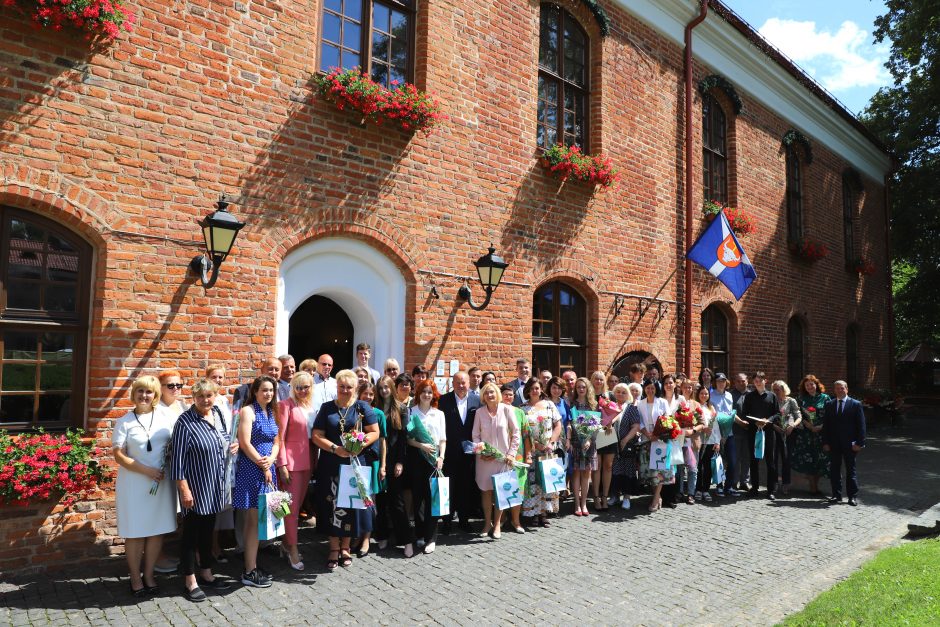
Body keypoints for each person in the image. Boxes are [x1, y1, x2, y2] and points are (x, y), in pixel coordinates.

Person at [113, 376, 178, 597]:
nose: (144, 395)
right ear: (134, 393)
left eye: (149, 392)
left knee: (156, 531)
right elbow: (119, 456)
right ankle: (134, 577)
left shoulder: (166, 417)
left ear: (155, 395)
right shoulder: (125, 421)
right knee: (135, 533)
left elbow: (176, 443)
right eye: (140, 391)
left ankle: (149, 574)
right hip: (134, 483)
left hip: (161, 483)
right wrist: (146, 470)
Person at [171, 378, 235, 602]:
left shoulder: (216, 414)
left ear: (215, 395)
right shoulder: (185, 422)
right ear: (193, 397)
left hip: (215, 484)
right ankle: (190, 580)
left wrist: (231, 444)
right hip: (195, 487)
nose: (205, 400)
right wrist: (184, 489)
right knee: (191, 534)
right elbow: (177, 461)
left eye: (209, 396)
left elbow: (223, 438)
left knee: (208, 531)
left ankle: (206, 573)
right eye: (200, 396)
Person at [311, 370, 380, 567]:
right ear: (337, 387)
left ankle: (346, 547)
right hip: (331, 463)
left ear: (355, 388)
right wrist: (336, 449)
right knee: (331, 504)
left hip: (355, 464)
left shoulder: (362, 407)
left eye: (349, 387)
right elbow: (316, 435)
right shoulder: (327, 408)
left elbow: (375, 432)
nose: (345, 390)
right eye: (342, 386)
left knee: (351, 505)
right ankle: (333, 547)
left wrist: (358, 444)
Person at [233, 375, 281, 587]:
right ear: (255, 392)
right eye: (264, 390)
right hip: (252, 470)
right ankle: (249, 570)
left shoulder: (271, 412)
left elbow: (277, 441)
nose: (268, 394)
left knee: (262, 520)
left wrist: (272, 459)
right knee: (253, 521)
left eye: (271, 390)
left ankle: (253, 564)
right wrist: (263, 465)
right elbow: (244, 442)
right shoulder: (248, 411)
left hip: (268, 468)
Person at [275, 371, 316, 571]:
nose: (301, 390)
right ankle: (292, 549)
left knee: (296, 506)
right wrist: (281, 464)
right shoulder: (285, 405)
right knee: (290, 510)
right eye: (298, 387)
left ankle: (285, 542)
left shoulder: (310, 406)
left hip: (308, 460)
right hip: (291, 463)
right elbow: (280, 437)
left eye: (305, 387)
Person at [472, 382, 521, 539]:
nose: (490, 395)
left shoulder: (506, 410)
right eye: (487, 393)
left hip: (502, 459)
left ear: (497, 394)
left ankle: (498, 523)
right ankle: (487, 523)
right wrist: (481, 452)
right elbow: (475, 436)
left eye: (492, 392)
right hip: (485, 460)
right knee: (486, 492)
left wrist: (512, 453)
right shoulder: (479, 413)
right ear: (483, 396)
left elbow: (516, 433)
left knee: (500, 492)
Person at [406, 379, 447, 556]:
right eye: (424, 391)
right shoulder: (411, 412)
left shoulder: (439, 414)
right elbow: (407, 438)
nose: (427, 395)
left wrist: (441, 457)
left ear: (434, 395)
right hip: (416, 459)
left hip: (433, 461)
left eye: (430, 392)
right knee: (418, 498)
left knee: (433, 500)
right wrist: (421, 446)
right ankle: (420, 534)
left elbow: (443, 439)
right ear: (418, 394)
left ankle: (431, 538)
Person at [440, 371, 481, 533]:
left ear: (469, 383)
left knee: (466, 487)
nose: (461, 385)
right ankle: (447, 521)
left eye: (463, 382)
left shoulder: (477, 401)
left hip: (469, 454)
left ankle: (464, 520)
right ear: (453, 384)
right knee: (448, 488)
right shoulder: (444, 401)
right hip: (449, 453)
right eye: (457, 383)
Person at [372, 376, 410, 549]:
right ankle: (382, 535)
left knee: (397, 501)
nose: (384, 391)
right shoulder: (376, 408)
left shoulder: (401, 409)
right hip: (378, 460)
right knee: (380, 500)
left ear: (392, 388)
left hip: (395, 460)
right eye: (380, 388)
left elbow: (403, 438)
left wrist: (400, 462)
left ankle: (404, 539)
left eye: (386, 387)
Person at [521, 379, 562, 525]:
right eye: (532, 388)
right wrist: (536, 445)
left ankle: (544, 513)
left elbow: (558, 425)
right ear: (527, 390)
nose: (535, 391)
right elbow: (523, 432)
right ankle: (534, 514)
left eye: (537, 388)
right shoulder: (523, 409)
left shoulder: (549, 405)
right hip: (532, 451)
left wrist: (550, 443)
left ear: (541, 389)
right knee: (533, 483)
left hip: (548, 450)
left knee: (547, 481)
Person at [205, 364, 236, 563]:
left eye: (221, 377)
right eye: (214, 376)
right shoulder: (205, 401)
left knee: (221, 505)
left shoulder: (226, 401)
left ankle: (216, 545)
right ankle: (209, 548)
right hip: (210, 459)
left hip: (227, 459)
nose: (218, 380)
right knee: (210, 504)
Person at [822, 380, 866, 506]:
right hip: (834, 444)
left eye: (842, 388)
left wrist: (860, 443)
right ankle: (836, 495)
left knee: (850, 471)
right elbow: (826, 425)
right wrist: (825, 442)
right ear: (834, 390)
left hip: (851, 444)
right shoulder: (830, 404)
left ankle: (852, 496)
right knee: (834, 470)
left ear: (846, 389)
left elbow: (861, 425)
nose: (839, 390)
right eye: (837, 388)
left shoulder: (855, 404)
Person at [355, 380, 384, 557]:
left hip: (372, 461)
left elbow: (383, 441)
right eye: (365, 393)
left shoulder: (378, 414)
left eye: (371, 394)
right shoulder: (353, 411)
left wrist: (383, 465)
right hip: (356, 460)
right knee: (356, 498)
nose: (368, 397)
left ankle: (366, 537)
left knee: (369, 500)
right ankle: (357, 535)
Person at [792, 374, 831, 496]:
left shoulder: (825, 398)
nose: (810, 387)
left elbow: (831, 415)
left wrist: (821, 426)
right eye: (807, 385)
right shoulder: (801, 399)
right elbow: (797, 415)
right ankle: (813, 487)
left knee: (821, 460)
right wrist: (808, 425)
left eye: (811, 384)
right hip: (806, 435)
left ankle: (815, 483)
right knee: (809, 460)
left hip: (821, 434)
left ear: (816, 385)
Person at [742, 372, 778, 500]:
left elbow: (777, 414)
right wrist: (756, 422)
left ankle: (770, 490)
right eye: (755, 380)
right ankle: (755, 487)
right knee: (754, 460)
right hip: (754, 431)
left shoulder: (772, 396)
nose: (757, 382)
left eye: (760, 380)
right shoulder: (749, 396)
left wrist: (767, 420)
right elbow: (745, 413)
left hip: (768, 432)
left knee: (770, 461)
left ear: (765, 381)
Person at [637, 379, 671, 512]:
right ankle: (657, 496)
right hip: (646, 439)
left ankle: (656, 498)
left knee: (660, 470)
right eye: (647, 388)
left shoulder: (662, 402)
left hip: (661, 439)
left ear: (656, 389)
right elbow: (639, 421)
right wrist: (647, 433)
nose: (650, 391)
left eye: (652, 388)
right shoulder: (640, 403)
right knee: (651, 471)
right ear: (644, 389)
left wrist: (657, 434)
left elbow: (668, 419)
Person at [500, 384, 529, 533]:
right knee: (501, 487)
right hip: (500, 456)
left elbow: (526, 435)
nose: (508, 397)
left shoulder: (520, 412)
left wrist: (529, 454)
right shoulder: (496, 411)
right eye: (505, 394)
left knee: (517, 488)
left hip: (518, 455)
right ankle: (501, 519)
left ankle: (516, 521)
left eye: (510, 395)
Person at [568, 377, 597, 516]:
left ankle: (584, 503)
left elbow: (596, 425)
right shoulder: (572, 404)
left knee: (586, 474)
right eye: (578, 387)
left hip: (588, 443)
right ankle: (576, 504)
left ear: (587, 389)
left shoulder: (593, 404)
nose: (581, 389)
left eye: (583, 387)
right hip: (575, 442)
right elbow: (569, 423)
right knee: (576, 473)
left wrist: (589, 440)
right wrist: (569, 439)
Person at [611, 383, 642, 510]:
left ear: (628, 394)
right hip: (612, 444)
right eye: (618, 391)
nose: (620, 394)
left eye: (623, 392)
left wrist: (625, 439)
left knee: (627, 470)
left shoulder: (631, 408)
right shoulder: (610, 407)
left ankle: (627, 498)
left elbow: (636, 426)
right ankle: (614, 496)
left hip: (627, 444)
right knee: (614, 471)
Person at [590, 371, 617, 509]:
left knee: (608, 466)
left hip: (608, 433)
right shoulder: (590, 396)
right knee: (597, 467)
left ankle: (605, 497)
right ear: (592, 380)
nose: (599, 382)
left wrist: (610, 422)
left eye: (601, 379)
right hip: (594, 434)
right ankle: (595, 497)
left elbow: (618, 412)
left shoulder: (610, 395)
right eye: (596, 379)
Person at [770, 380, 802, 496]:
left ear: (784, 390)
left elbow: (798, 416)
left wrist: (792, 426)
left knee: (786, 459)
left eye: (778, 390)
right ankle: (773, 483)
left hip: (788, 433)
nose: (776, 392)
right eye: (774, 390)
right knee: (773, 459)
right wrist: (774, 427)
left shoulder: (791, 401)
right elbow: (768, 417)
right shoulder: (772, 400)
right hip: (774, 433)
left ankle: (785, 484)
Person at [711, 373, 738, 497]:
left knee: (732, 461)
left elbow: (730, 413)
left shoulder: (729, 395)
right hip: (716, 434)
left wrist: (741, 422)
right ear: (715, 383)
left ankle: (729, 486)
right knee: (718, 461)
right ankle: (719, 486)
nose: (721, 383)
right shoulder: (711, 396)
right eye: (718, 381)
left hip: (730, 433)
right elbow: (712, 415)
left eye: (723, 381)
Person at [694, 385, 720, 502]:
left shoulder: (711, 408)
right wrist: (702, 428)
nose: (704, 396)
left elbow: (715, 426)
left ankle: (706, 489)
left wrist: (717, 441)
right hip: (699, 439)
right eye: (702, 394)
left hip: (710, 440)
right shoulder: (695, 406)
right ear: (698, 395)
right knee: (698, 465)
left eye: (706, 394)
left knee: (708, 466)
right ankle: (698, 489)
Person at [730, 372, 751, 491]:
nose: (741, 383)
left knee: (747, 457)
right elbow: (730, 412)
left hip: (749, 431)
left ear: (747, 381)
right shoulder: (731, 395)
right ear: (735, 382)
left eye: (743, 381)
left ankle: (745, 481)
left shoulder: (751, 395)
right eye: (738, 381)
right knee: (735, 457)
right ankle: (734, 481)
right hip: (735, 430)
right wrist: (741, 422)